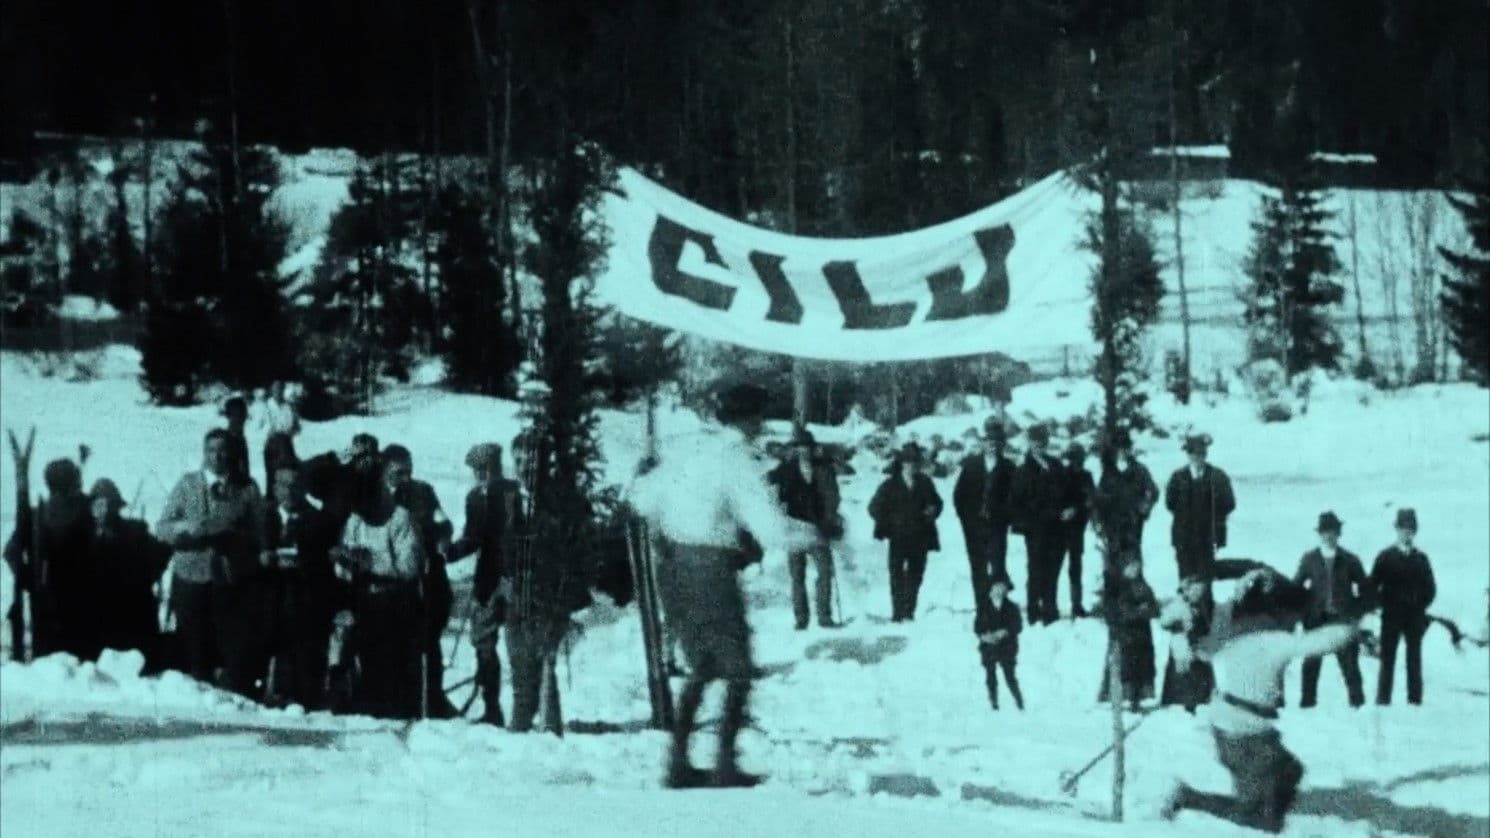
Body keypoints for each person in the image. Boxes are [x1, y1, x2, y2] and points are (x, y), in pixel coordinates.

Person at [627, 382, 818, 789]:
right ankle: (724, 762)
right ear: (751, 420)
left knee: (704, 665)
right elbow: (771, 530)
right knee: (738, 668)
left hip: (672, 565)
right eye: (761, 418)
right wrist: (817, 533)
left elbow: (641, 500)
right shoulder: (736, 459)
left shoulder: (689, 449)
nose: (763, 425)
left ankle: (678, 762)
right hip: (709, 566)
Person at [1162, 569, 1361, 833]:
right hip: (1246, 737)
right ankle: (1189, 799)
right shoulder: (1270, 641)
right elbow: (1319, 642)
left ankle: (1262, 810)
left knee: (1289, 771)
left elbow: (1196, 641)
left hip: (1232, 729)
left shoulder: (1227, 634)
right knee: (1260, 809)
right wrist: (1353, 625)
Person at [155, 429, 265, 696]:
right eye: (211, 450)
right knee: (193, 648)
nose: (217, 456)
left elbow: (260, 534)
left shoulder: (247, 488)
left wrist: (231, 534)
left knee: (227, 649)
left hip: (229, 582)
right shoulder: (187, 485)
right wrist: (188, 528)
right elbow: (162, 528)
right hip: (190, 578)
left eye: (222, 450)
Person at [332, 453, 427, 720]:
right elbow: (343, 565)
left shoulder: (400, 519)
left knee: (390, 663)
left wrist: (372, 561)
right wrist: (343, 560)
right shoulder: (356, 521)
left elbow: (409, 566)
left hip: (394, 600)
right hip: (362, 598)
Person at [448, 442, 524, 727]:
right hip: (511, 578)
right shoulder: (515, 491)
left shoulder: (483, 496)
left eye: (480, 468)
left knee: (485, 642)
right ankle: (515, 710)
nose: (478, 474)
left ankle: (497, 710)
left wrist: (448, 553)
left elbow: (474, 539)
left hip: (494, 580)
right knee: (510, 645)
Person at [382, 444, 459, 718]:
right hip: (391, 582)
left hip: (427, 580)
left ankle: (433, 697)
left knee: (429, 642)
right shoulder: (375, 497)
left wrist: (442, 538)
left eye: (409, 471)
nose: (405, 478)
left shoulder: (423, 493)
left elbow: (443, 522)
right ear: (385, 471)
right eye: (398, 472)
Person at [260, 464, 338, 710]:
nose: (290, 491)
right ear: (275, 487)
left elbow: (327, 563)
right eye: (284, 484)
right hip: (267, 599)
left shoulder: (321, 521)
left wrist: (304, 561)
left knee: (304, 657)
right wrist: (263, 559)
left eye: (295, 485)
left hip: (304, 600)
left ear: (304, 489)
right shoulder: (262, 516)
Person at [4, 457, 95, 660]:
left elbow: (11, 552)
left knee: (47, 668)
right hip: (82, 607)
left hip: (44, 607)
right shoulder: (86, 513)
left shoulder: (37, 514)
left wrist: (29, 581)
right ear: (71, 484)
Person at [88, 479, 171, 663]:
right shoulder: (83, 534)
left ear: (117, 507)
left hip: (133, 615)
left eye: (108, 504)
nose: (104, 509)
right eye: (98, 504)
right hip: (97, 619)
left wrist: (146, 579)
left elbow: (162, 553)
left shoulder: (135, 531)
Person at [1293, 511, 1369, 708]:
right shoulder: (1309, 559)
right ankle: (1307, 708)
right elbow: (1296, 589)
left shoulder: (1350, 560)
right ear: (1319, 534)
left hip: (1342, 622)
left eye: (1333, 532)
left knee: (1351, 668)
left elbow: (1366, 590)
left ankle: (1357, 707)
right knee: (1311, 666)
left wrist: (1355, 614)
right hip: (1316, 622)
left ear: (1339, 534)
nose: (1329, 536)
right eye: (1325, 532)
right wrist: (1304, 614)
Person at [768, 428, 843, 630]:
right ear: (793, 450)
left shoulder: (823, 469)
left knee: (825, 573)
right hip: (793, 529)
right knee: (797, 576)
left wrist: (829, 519)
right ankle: (801, 619)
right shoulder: (785, 470)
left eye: (806, 447)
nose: (803, 452)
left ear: (812, 448)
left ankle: (824, 616)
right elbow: (769, 486)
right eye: (799, 448)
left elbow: (833, 496)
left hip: (818, 529)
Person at [868, 442, 944, 623]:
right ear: (901, 463)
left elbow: (938, 503)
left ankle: (909, 611)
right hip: (898, 537)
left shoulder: (925, 483)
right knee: (896, 575)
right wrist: (889, 522)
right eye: (908, 462)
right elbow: (873, 507)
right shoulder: (890, 484)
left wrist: (932, 510)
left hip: (921, 536)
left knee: (915, 575)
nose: (911, 466)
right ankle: (897, 613)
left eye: (915, 462)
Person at [1369, 508, 1436, 705]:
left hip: (1414, 616)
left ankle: (1415, 700)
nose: (1406, 533)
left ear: (1414, 532)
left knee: (1414, 658)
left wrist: (1419, 605)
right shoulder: (1385, 557)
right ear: (1396, 530)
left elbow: (1430, 588)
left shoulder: (1421, 559)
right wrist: (1383, 603)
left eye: (1410, 529)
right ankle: (1383, 700)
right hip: (1391, 616)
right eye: (1403, 529)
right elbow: (1372, 586)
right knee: (1387, 658)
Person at [952, 419, 1015, 617]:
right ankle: (982, 605)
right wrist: (966, 520)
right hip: (974, 527)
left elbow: (1014, 497)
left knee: (997, 564)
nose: (992, 445)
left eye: (997, 442)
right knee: (977, 566)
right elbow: (959, 496)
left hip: (997, 525)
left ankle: (998, 604)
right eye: (989, 441)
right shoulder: (971, 465)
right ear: (983, 442)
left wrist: (1007, 517)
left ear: (1002, 444)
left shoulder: (1008, 468)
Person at [1010, 424, 1066, 625]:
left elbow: (1067, 493)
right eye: (1035, 442)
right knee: (1036, 570)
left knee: (1053, 569)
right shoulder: (1023, 470)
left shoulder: (1056, 466)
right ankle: (1034, 610)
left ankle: (1050, 609)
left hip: (1057, 528)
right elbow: (1016, 502)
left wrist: (1068, 509)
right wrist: (1027, 521)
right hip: (1035, 529)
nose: (1039, 446)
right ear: (1029, 443)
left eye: (1042, 442)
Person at [1164, 433, 1235, 585]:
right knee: (1186, 577)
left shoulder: (1217, 476)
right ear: (1188, 455)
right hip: (1183, 536)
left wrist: (1216, 521)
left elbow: (1229, 503)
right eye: (1192, 454)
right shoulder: (1178, 477)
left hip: (1207, 536)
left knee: (1205, 577)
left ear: (1205, 454)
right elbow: (1170, 503)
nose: (1196, 458)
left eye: (1200, 454)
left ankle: (1205, 607)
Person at [1092, 429, 1159, 576]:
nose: (1122, 452)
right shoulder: (1108, 472)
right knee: (1112, 562)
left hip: (1133, 523)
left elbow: (1153, 491)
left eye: (1125, 448)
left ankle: (1136, 595)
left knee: (1132, 563)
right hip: (1111, 524)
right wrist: (1097, 523)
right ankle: (1112, 596)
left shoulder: (1140, 470)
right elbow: (1098, 500)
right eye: (1119, 448)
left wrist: (1145, 505)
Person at [1098, 556, 1160, 711]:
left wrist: (1144, 610)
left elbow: (1154, 608)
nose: (1135, 570)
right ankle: (1121, 699)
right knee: (1124, 668)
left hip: (1142, 637)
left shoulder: (1143, 586)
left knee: (1141, 668)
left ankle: (1138, 698)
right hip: (1123, 636)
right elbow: (1116, 611)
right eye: (1131, 566)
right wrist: (1138, 611)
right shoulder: (1115, 587)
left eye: (1137, 566)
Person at [303, 433, 383, 536]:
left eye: (370, 455)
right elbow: (307, 477)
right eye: (361, 456)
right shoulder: (338, 475)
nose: (366, 460)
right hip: (333, 531)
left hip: (369, 532)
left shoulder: (379, 478)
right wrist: (333, 457)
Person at [1158, 576, 1215, 713]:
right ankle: (1179, 700)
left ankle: (1201, 698)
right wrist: (1180, 625)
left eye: (1200, 591)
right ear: (1185, 591)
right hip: (1181, 643)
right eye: (1193, 591)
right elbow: (1164, 621)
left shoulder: (1199, 606)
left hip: (1197, 643)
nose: (1197, 594)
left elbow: (1205, 626)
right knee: (1183, 671)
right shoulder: (1178, 604)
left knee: (1199, 671)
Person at [974, 575, 1024, 710]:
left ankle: (1019, 700)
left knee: (1010, 676)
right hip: (988, 647)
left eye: (1002, 588)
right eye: (996, 588)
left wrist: (1005, 632)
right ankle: (993, 701)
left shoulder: (1012, 607)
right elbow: (977, 627)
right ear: (990, 590)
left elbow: (1018, 626)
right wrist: (985, 636)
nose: (999, 591)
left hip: (1007, 647)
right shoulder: (983, 607)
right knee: (990, 675)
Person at [1059, 442, 1095, 618]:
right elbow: (1053, 498)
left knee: (1075, 567)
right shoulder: (1059, 475)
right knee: (1055, 567)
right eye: (1073, 458)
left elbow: (1091, 501)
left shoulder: (1086, 477)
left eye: (1078, 458)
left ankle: (1076, 604)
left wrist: (1077, 510)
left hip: (1076, 529)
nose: (1076, 462)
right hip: (1058, 527)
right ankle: (1050, 604)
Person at [221, 396, 252, 483]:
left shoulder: (240, 439)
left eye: (242, 416)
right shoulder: (225, 441)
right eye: (237, 416)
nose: (242, 420)